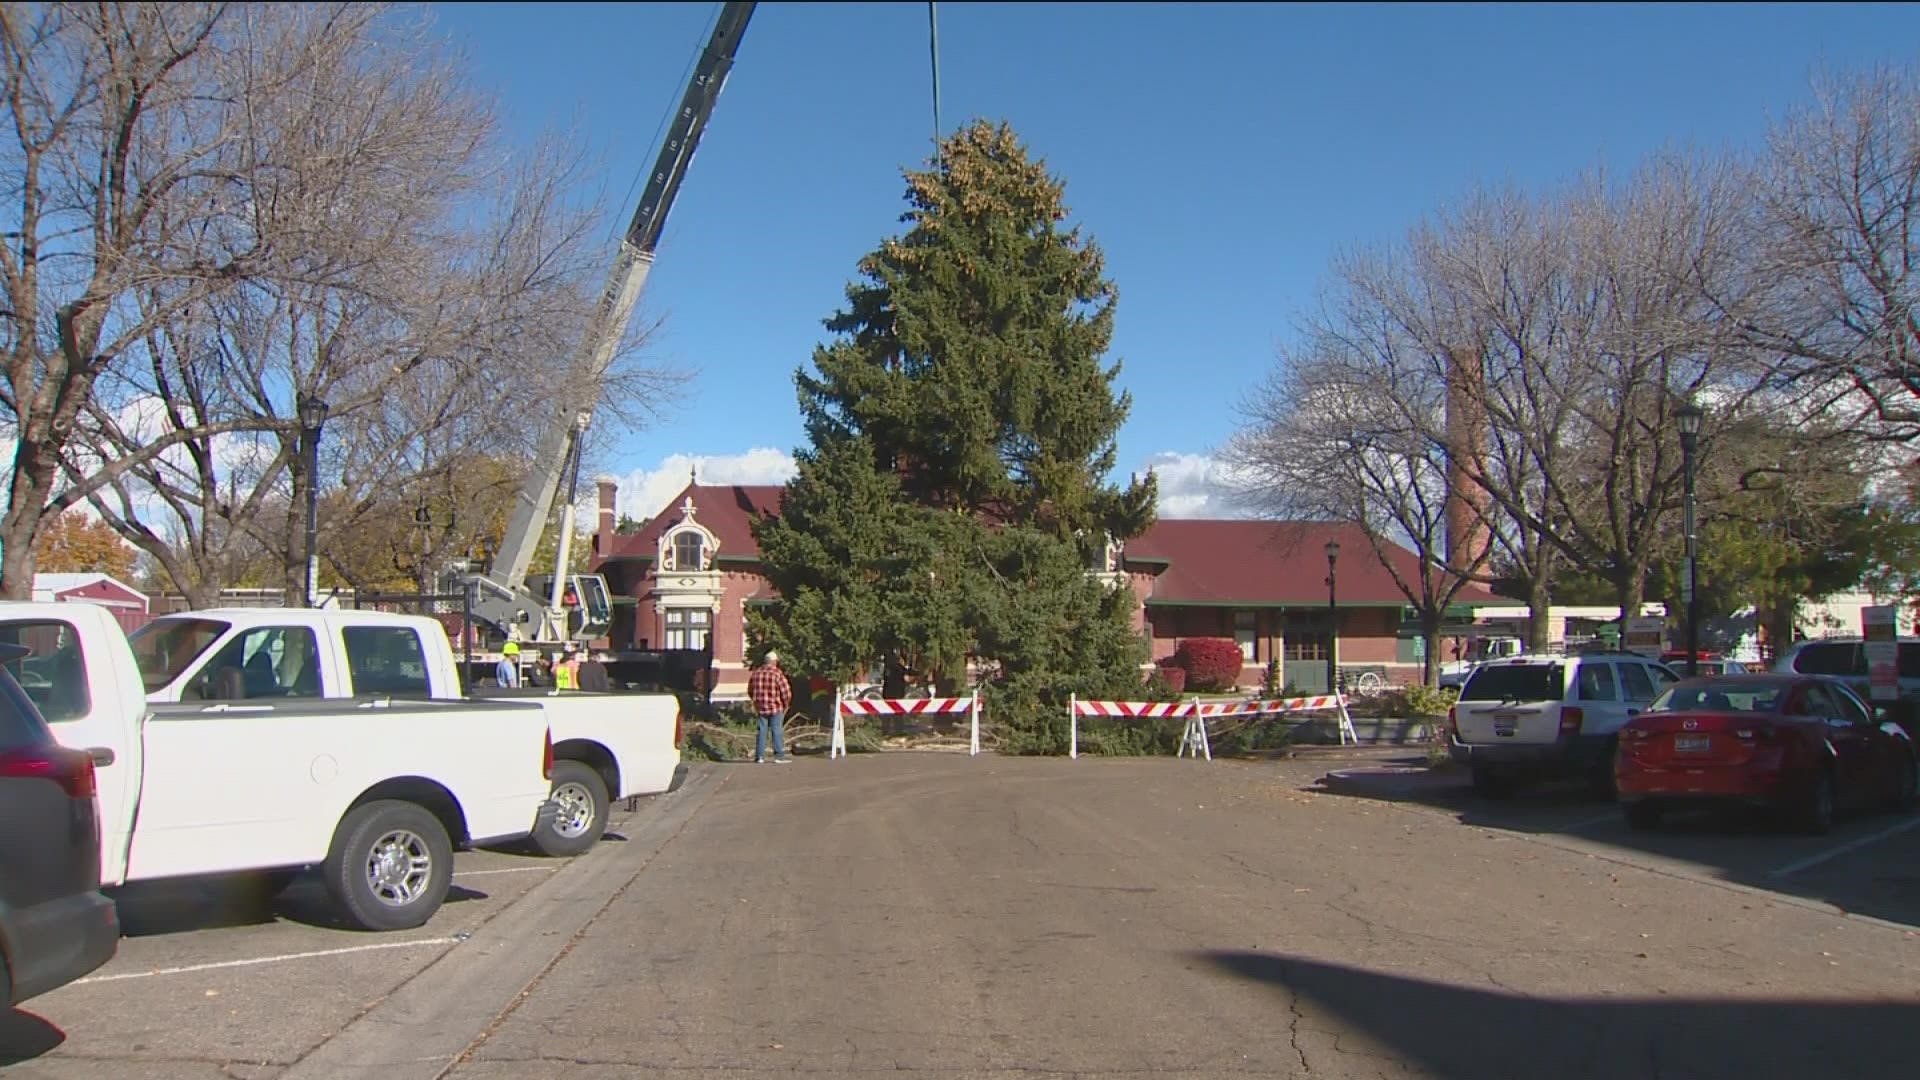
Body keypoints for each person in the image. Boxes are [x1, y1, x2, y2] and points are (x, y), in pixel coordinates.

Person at [747, 650, 793, 764]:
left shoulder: (756, 673)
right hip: (776, 707)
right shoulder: (777, 674)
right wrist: (786, 704)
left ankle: (759, 756)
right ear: (774, 662)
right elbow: (786, 691)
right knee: (776, 730)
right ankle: (779, 756)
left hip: (761, 707)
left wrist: (755, 701)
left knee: (761, 731)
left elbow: (750, 690)